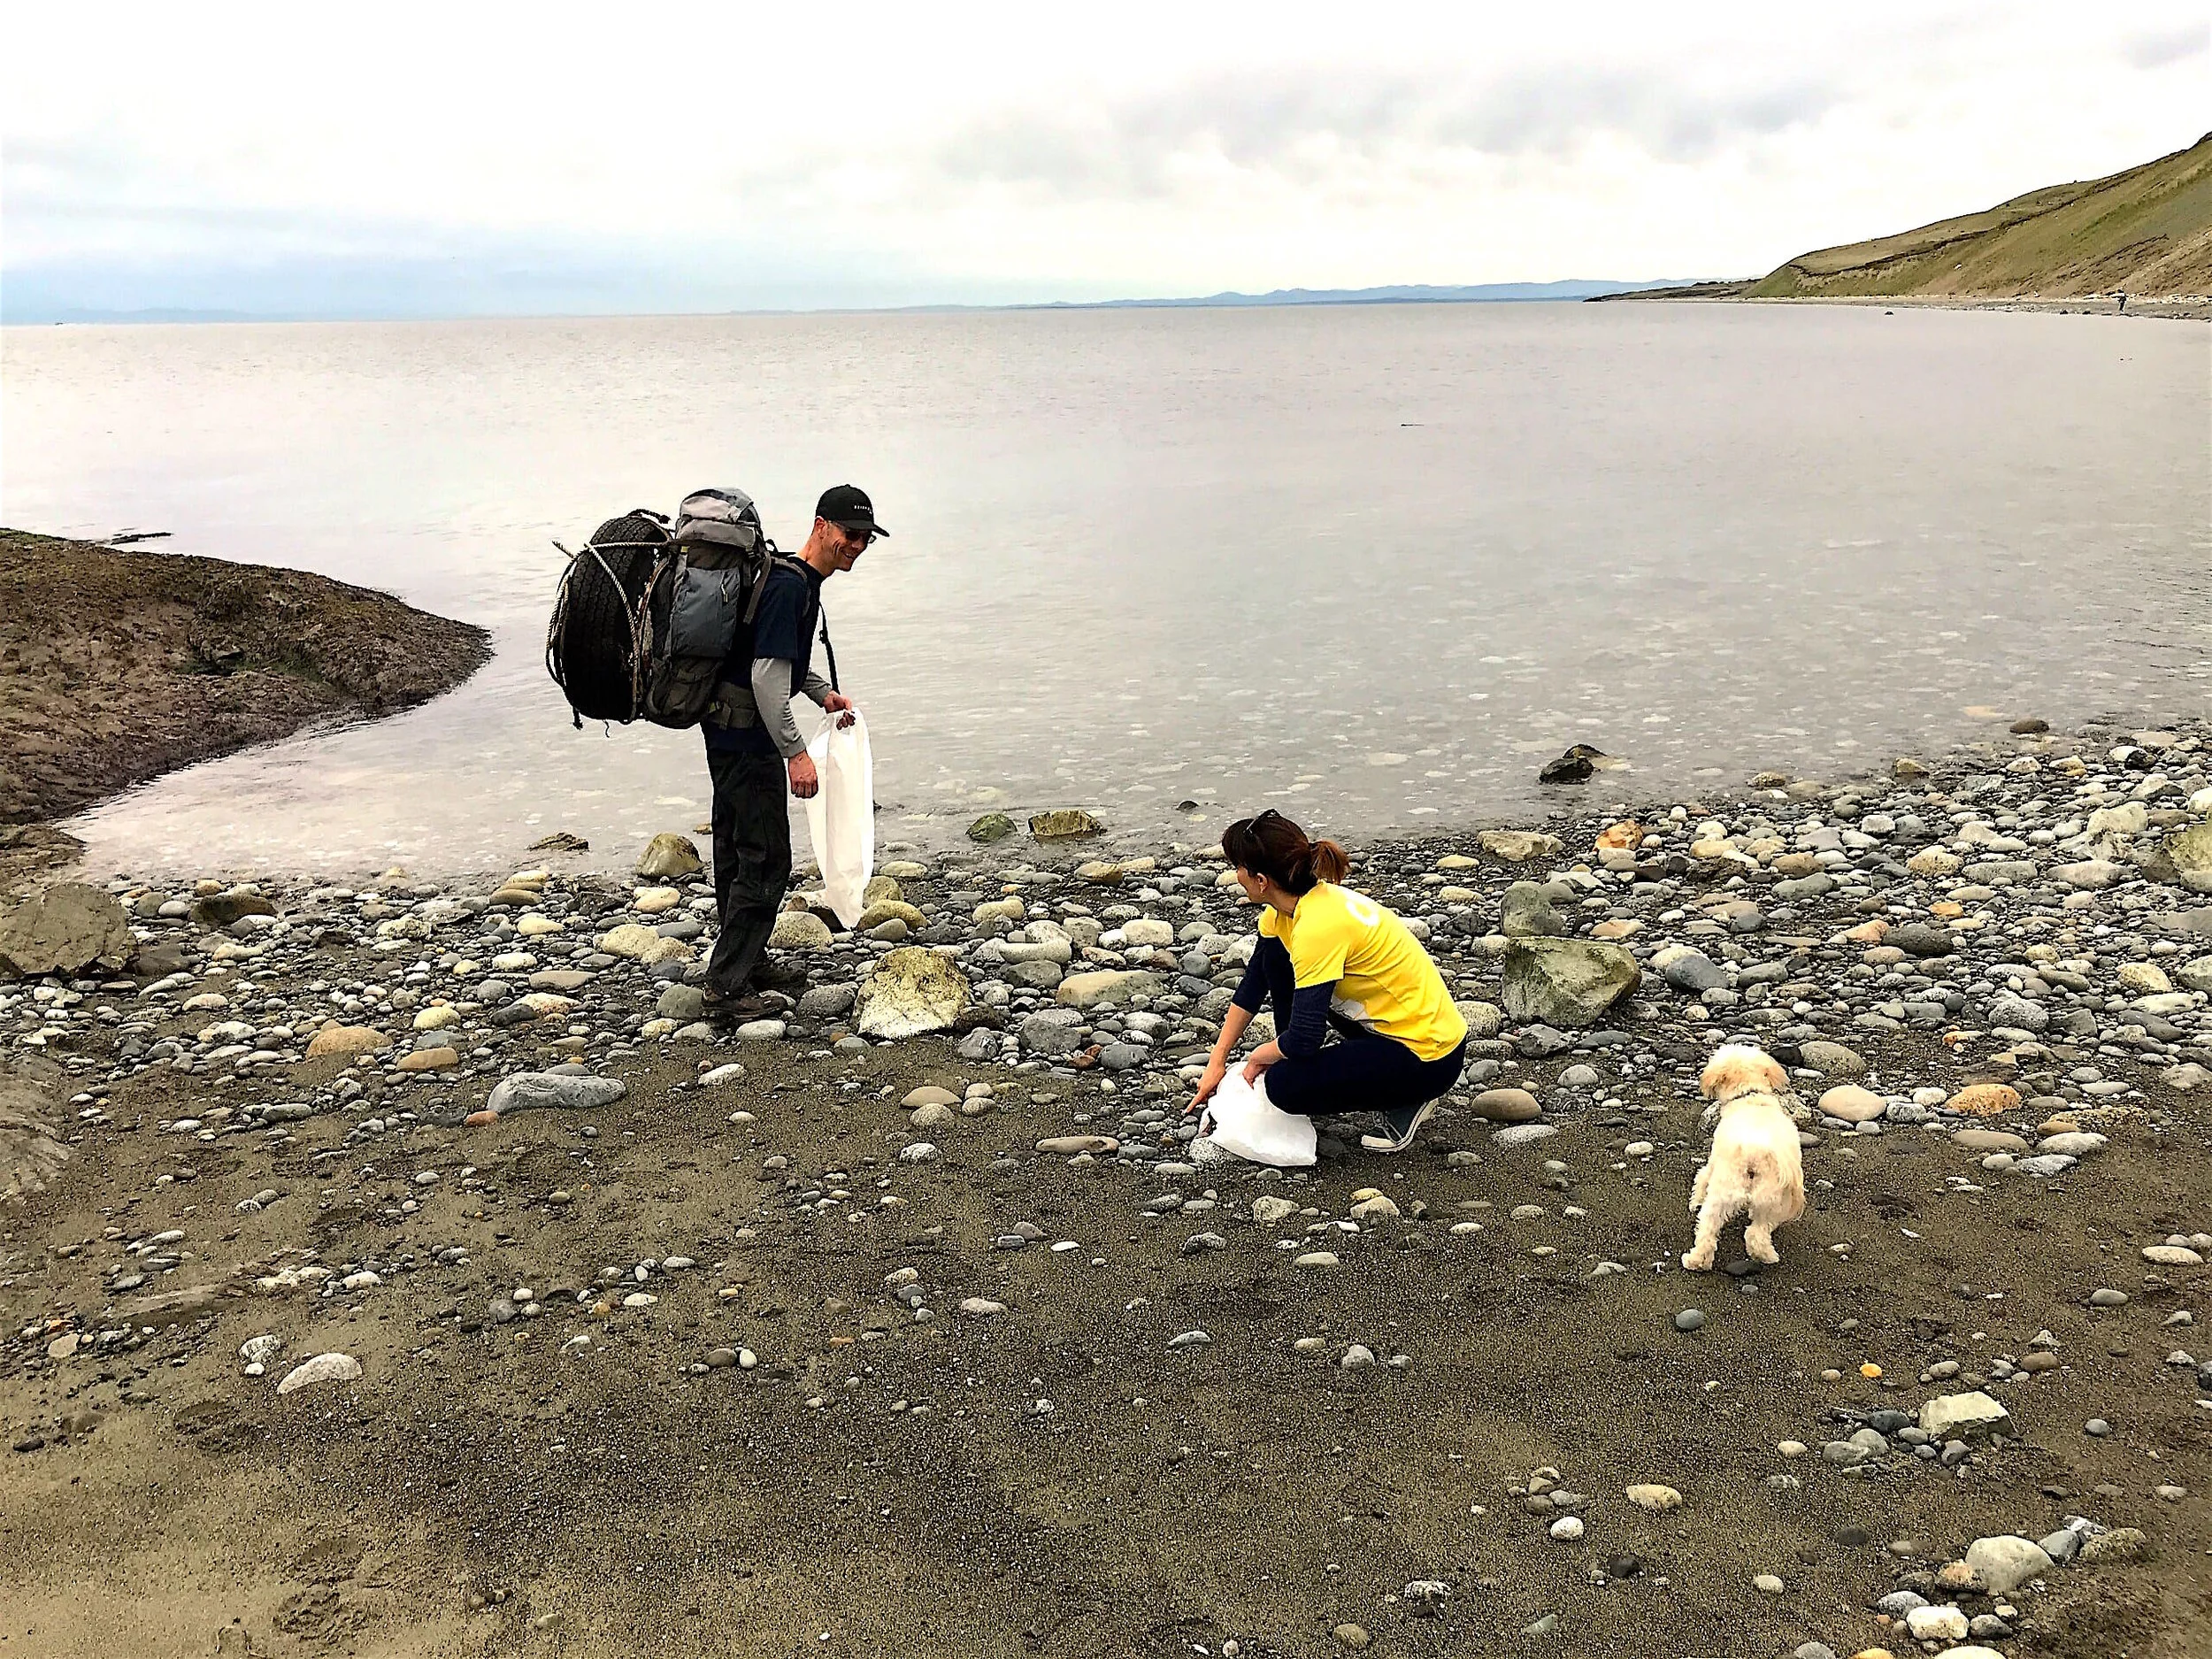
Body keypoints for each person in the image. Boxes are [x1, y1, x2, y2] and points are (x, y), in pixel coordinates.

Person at [700, 484, 884, 1017]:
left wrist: (822, 692)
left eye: (867, 538)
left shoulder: (793, 579)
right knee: (767, 856)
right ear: (821, 526)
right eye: (852, 534)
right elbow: (764, 680)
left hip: (726, 727)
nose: (858, 545)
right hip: (748, 733)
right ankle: (726, 985)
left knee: (736, 847)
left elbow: (779, 659)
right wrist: (796, 752)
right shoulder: (789, 588)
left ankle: (745, 960)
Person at [1189, 809, 1467, 1152]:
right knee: (1275, 959)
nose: (1236, 876)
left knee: (1282, 1087)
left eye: (1239, 868)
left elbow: (1306, 1037)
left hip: (1429, 1056)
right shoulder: (1287, 911)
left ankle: (1411, 1098)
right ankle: (1321, 1074)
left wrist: (1261, 1057)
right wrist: (1217, 1062)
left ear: (1261, 881)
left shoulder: (1318, 926)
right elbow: (1254, 985)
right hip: (1386, 1027)